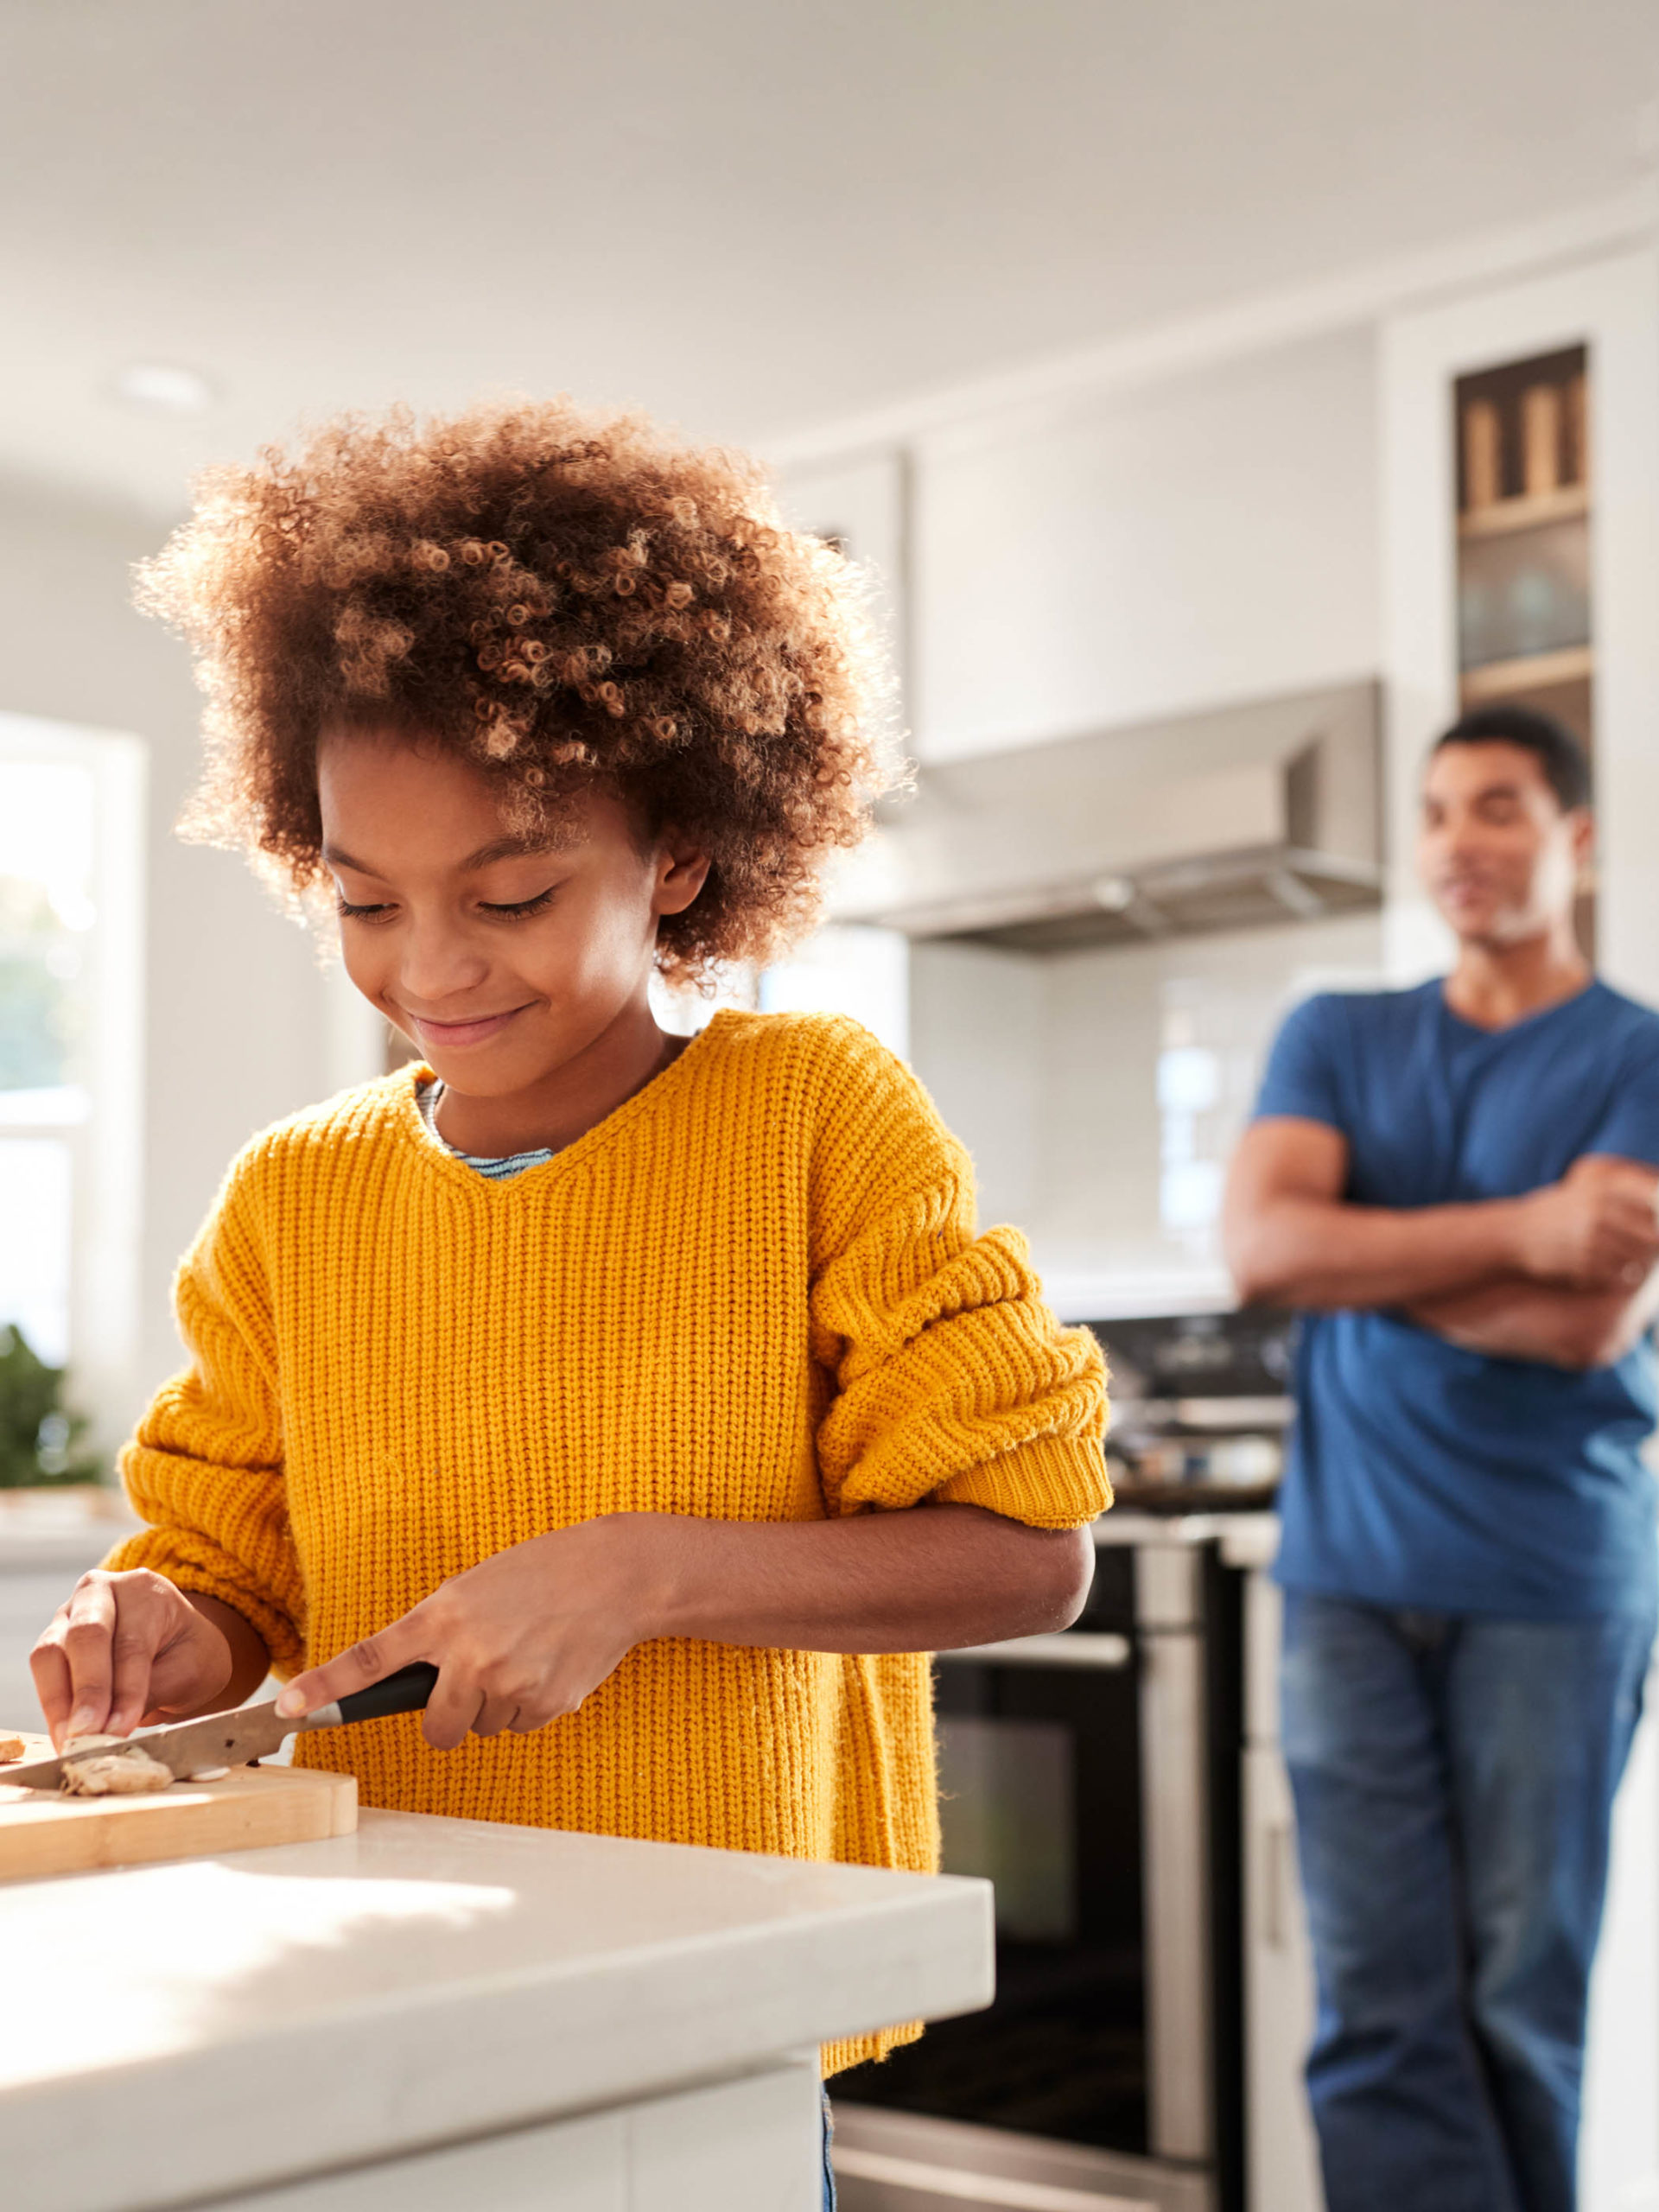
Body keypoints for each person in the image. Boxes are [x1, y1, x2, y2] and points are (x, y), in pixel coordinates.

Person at [28, 399, 1110, 2202]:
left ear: (676, 857)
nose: (429, 967)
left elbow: (1028, 1548)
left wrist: (648, 1568)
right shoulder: (296, 1193)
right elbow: (235, 1576)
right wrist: (163, 1633)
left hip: (703, 2016)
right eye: (364, 900)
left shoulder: (811, 1117)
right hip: (363, 1991)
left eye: (511, 893)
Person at [1224, 703, 1659, 2212]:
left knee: (1517, 2004)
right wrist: (1520, 1232)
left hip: (1552, 1583)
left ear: (1575, 839)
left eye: (1497, 808)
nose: (1457, 844)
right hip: (1348, 1577)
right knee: (1374, 2003)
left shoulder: (1639, 1057)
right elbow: (1266, 1248)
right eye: (1436, 812)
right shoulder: (1338, 1033)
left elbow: (1589, 1324)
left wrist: (1372, 1252)